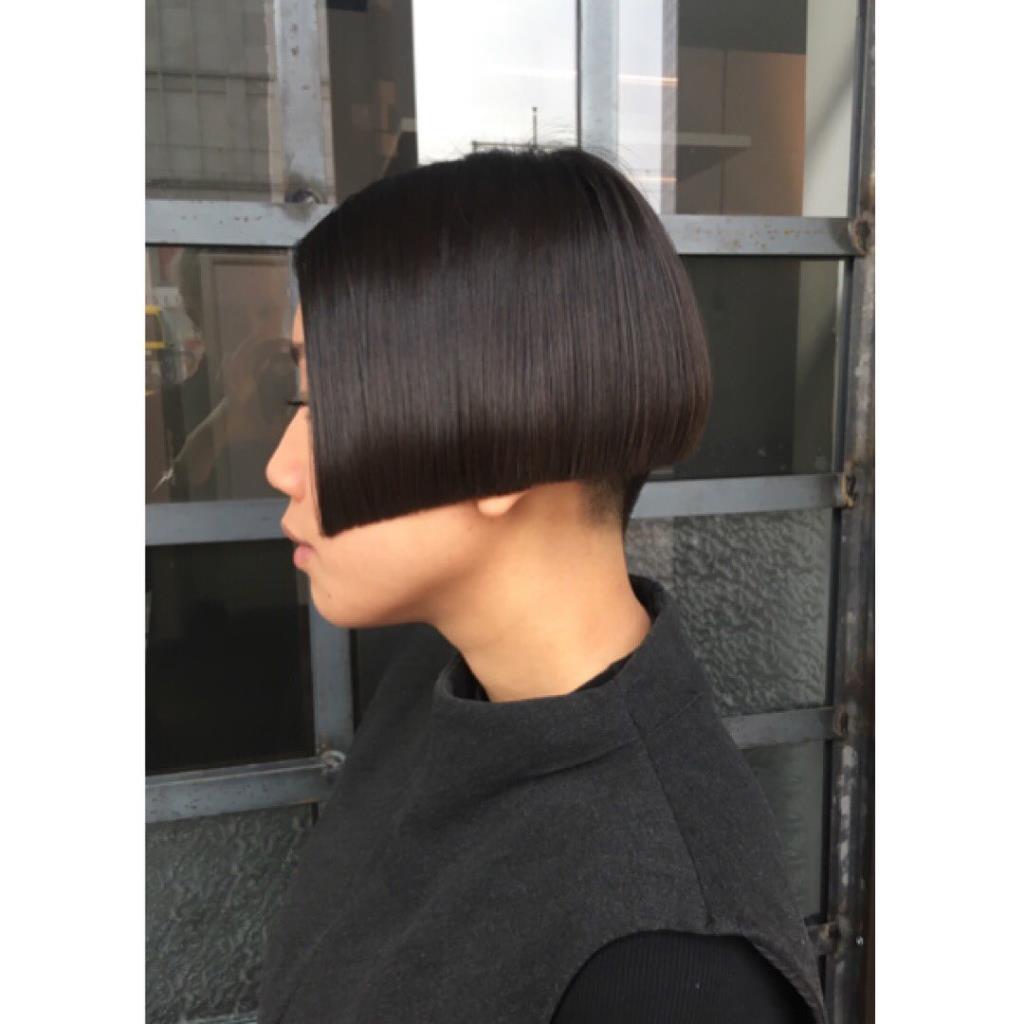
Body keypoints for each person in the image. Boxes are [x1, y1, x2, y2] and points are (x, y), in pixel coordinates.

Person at [258, 146, 825, 1023]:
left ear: (504, 443)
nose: (280, 467)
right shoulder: (441, 688)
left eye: (326, 405)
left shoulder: (668, 971)